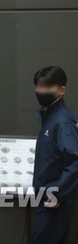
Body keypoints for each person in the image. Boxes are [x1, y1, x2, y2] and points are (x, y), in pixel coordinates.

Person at [31, 66, 78, 244]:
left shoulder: (63, 121)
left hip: (55, 202)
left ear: (62, 90)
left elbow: (74, 161)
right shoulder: (49, 115)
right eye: (38, 86)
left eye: (46, 87)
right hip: (48, 197)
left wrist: (58, 193)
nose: (40, 91)